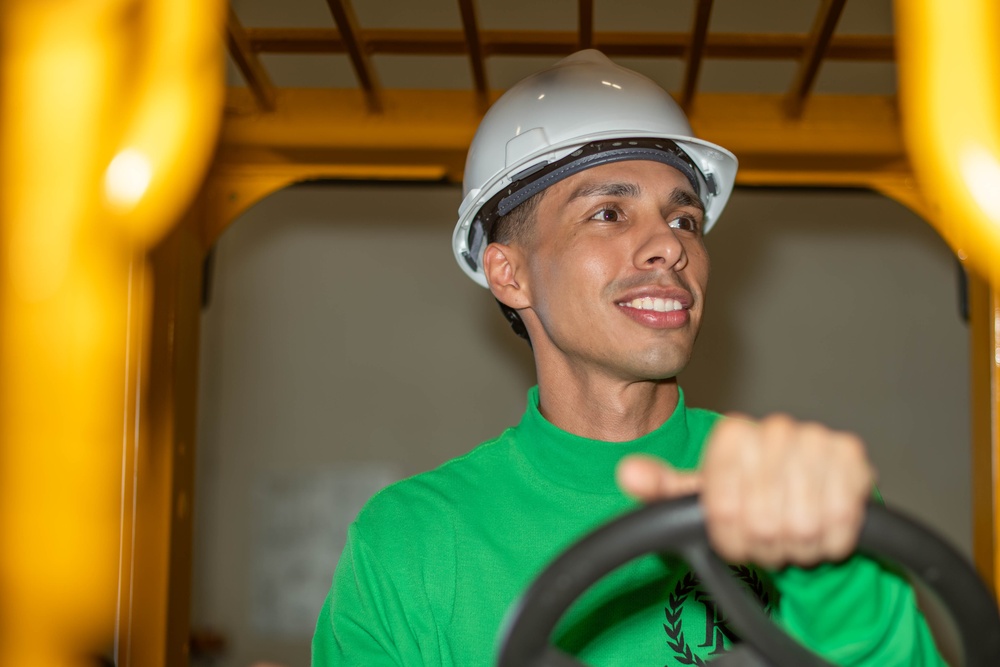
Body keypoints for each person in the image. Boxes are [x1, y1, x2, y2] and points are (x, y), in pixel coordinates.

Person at [312, 50, 945, 665]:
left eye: (685, 220)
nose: (668, 247)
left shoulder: (797, 490)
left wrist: (840, 586)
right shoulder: (410, 539)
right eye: (609, 213)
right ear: (508, 274)